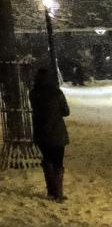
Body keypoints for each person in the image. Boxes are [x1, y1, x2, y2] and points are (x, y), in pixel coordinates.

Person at [30, 67, 70, 202]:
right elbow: (66, 111)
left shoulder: (34, 93)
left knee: (47, 160)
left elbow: (36, 110)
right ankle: (58, 192)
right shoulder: (57, 93)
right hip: (57, 132)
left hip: (41, 132)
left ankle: (51, 191)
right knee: (58, 162)